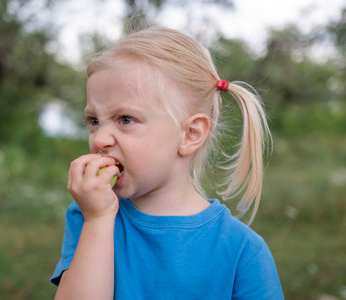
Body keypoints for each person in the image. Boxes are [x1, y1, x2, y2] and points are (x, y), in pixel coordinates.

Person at [50, 27, 284, 299]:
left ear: (190, 134)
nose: (100, 139)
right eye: (93, 121)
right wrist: (98, 220)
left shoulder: (241, 250)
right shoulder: (90, 215)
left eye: (125, 119)